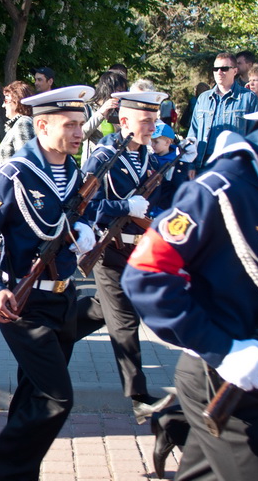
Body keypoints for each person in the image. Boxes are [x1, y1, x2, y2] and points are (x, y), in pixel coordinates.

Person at [121, 57, 258, 481]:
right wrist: (222, 349)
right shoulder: (225, 185)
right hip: (222, 374)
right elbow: (146, 274)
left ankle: (172, 425)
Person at [0, 85, 97, 481]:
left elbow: (66, 220)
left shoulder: (72, 172)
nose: (78, 132)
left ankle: (22, 476)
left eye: (79, 124)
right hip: (22, 303)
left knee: (33, 394)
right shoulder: (14, 174)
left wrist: (84, 228)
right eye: (69, 125)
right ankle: (2, 469)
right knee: (58, 397)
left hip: (63, 299)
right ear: (41, 125)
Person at [76, 91, 196, 424]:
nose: (153, 126)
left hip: (137, 250)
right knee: (125, 322)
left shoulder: (147, 156)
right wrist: (122, 206)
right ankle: (139, 398)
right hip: (109, 251)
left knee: (106, 309)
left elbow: (166, 201)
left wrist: (183, 164)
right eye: (146, 121)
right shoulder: (102, 158)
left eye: (155, 120)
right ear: (125, 121)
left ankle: (55, 332)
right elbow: (82, 205)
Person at [188, 51, 258, 172]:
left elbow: (256, 137)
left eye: (224, 68)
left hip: (234, 168)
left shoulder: (249, 98)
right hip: (203, 166)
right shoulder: (203, 98)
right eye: (215, 69)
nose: (219, 72)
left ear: (235, 71)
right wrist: (190, 165)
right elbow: (193, 135)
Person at [81, 71, 127, 166]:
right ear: (107, 89)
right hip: (93, 164)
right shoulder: (88, 108)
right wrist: (101, 113)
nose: (121, 95)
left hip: (115, 165)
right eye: (119, 90)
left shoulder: (118, 110)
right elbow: (81, 135)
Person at [0, 81, 35, 165]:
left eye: (6, 101)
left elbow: (25, 162)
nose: (3, 105)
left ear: (17, 101)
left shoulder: (23, 123)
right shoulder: (18, 124)